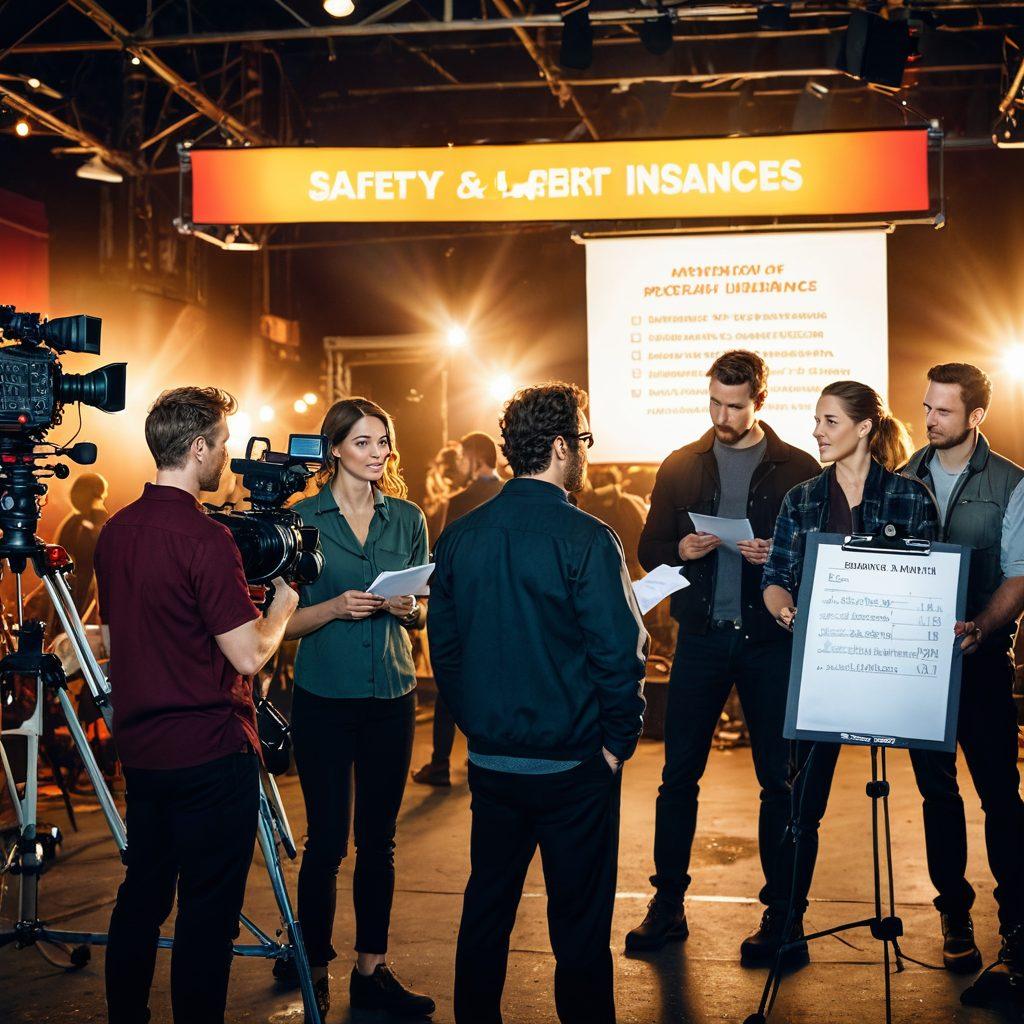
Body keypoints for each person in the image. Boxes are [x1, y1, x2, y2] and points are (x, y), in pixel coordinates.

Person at [428, 382, 647, 1024]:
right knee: (578, 930)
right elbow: (618, 652)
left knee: (487, 912)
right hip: (574, 768)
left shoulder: (462, 536)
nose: (585, 450)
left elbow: (446, 650)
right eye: (582, 439)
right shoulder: (587, 538)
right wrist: (616, 743)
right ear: (558, 447)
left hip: (494, 763)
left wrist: (481, 727)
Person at [95, 387, 299, 1024]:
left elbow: (113, 637)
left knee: (141, 898)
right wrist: (283, 606)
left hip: (144, 755)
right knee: (207, 915)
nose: (228, 458)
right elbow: (246, 654)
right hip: (210, 753)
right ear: (198, 447)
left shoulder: (116, 532)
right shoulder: (206, 540)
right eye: (223, 444)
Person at [628, 350, 820, 962]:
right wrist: (679, 547)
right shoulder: (681, 464)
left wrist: (781, 561)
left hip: (771, 643)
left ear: (759, 401)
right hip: (703, 639)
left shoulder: (798, 468)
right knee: (676, 777)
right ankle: (667, 907)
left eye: (734, 405)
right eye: (713, 401)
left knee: (777, 783)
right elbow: (649, 546)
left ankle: (782, 917)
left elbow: (823, 557)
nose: (721, 414)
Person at [762, 380, 938, 957]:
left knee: (928, 788)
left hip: (891, 676)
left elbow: (931, 588)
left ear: (864, 427)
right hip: (819, 673)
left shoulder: (912, 498)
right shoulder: (801, 499)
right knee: (800, 807)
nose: (817, 431)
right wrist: (789, 614)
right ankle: (787, 922)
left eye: (830, 421)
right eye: (816, 420)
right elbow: (775, 581)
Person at [280, 397, 435, 1019]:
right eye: (365, 442)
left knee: (380, 841)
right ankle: (313, 962)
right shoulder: (300, 518)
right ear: (335, 447)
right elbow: (278, 626)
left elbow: (422, 605)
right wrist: (335, 608)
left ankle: (371, 969)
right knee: (325, 844)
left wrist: (409, 611)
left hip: (392, 695)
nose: (378, 454)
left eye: (384, 442)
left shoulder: (407, 517)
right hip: (322, 697)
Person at [901, 363, 1024, 979]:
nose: (930, 420)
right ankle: (954, 914)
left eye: (944, 411)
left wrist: (981, 626)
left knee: (1001, 798)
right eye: (927, 408)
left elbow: (1020, 575)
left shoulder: (1012, 483)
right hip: (920, 671)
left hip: (981, 669)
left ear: (976, 416)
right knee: (937, 797)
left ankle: (1018, 925)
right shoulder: (902, 479)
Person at [413, 430, 503, 787]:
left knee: (449, 684)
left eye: (463, 457)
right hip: (500, 607)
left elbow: (443, 555)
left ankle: (439, 764)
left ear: (476, 457)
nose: (460, 464)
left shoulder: (462, 499)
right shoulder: (508, 494)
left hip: (465, 605)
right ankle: (485, 754)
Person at [578, 465, 646, 580]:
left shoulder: (584, 509)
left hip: (596, 573)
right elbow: (643, 536)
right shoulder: (633, 502)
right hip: (631, 572)